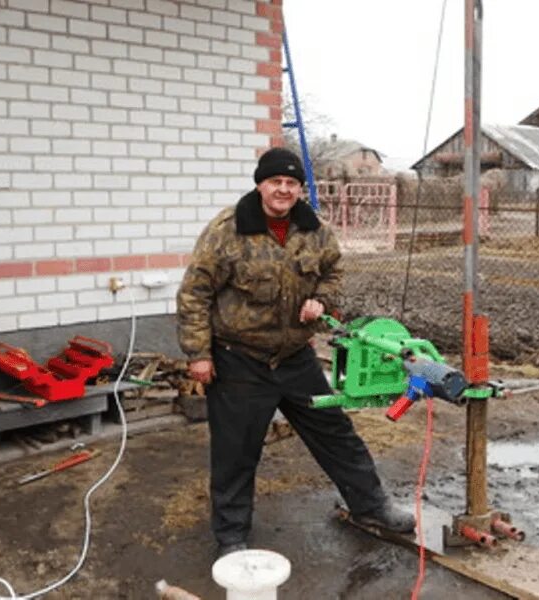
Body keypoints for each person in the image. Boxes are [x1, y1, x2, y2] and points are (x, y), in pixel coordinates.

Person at [176, 147, 415, 559]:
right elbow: (194, 294)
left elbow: (334, 272)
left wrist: (322, 300)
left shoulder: (314, 228)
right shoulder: (227, 229)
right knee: (235, 453)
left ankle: (372, 507)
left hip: (295, 357)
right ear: (260, 185)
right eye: (275, 182)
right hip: (240, 359)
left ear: (300, 189)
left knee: (336, 434)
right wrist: (199, 353)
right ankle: (231, 537)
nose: (283, 190)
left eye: (291, 183)